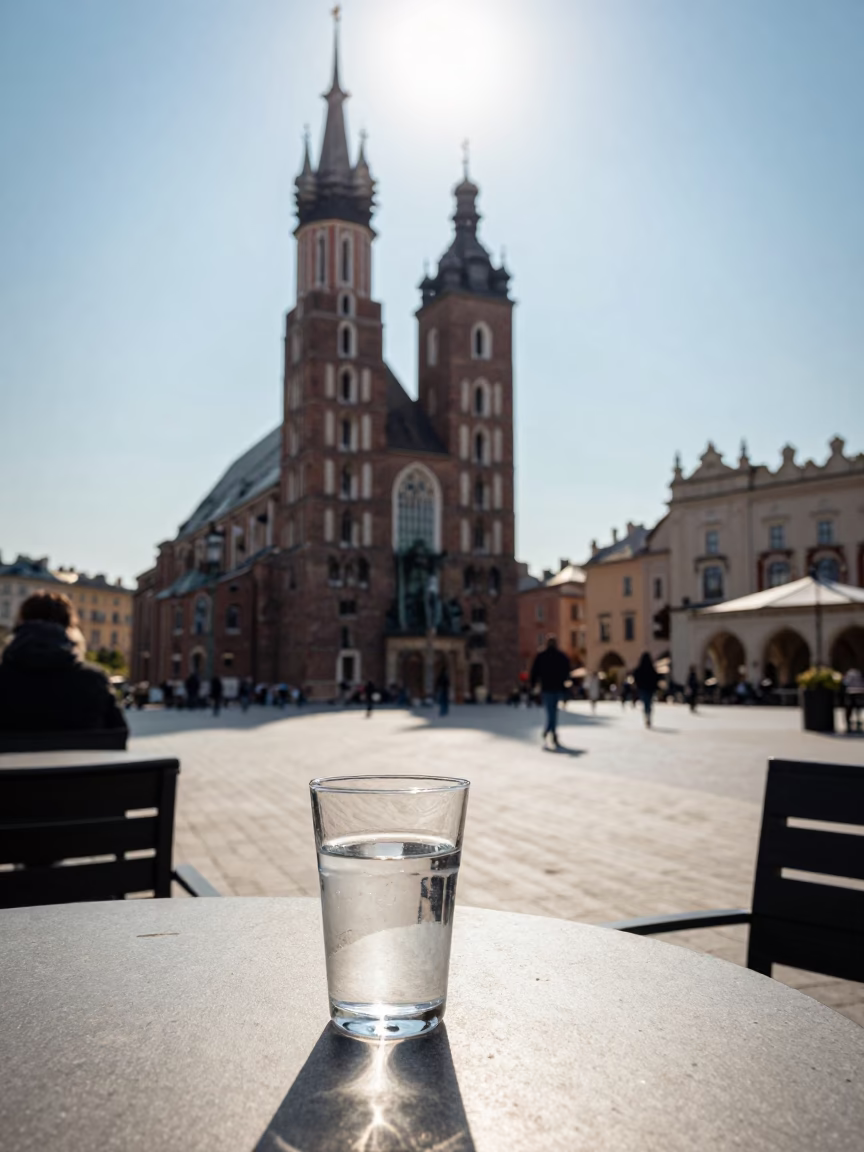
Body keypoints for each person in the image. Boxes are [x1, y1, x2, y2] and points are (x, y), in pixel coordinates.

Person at [0, 591, 128, 738]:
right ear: (70, 628)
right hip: (80, 760)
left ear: (19, 624)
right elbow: (118, 737)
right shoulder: (94, 681)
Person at [530, 636, 572, 748]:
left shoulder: (541, 656)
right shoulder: (561, 656)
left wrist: (533, 685)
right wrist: (566, 685)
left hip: (547, 688)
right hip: (557, 688)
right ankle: (551, 732)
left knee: (550, 712)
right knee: (553, 712)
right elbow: (567, 671)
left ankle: (549, 731)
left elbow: (534, 672)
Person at [632, 651, 660, 729]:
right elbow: (656, 678)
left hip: (642, 689)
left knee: (645, 702)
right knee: (649, 702)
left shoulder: (640, 669)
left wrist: (637, 685)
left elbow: (635, 676)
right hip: (650, 689)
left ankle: (646, 715)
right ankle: (648, 715)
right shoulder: (651, 669)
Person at [843, 667, 864, 733]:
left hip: (853, 692)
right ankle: (856, 724)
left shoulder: (850, 673)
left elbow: (845, 682)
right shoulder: (858, 672)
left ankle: (851, 724)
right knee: (857, 708)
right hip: (858, 691)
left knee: (851, 708)